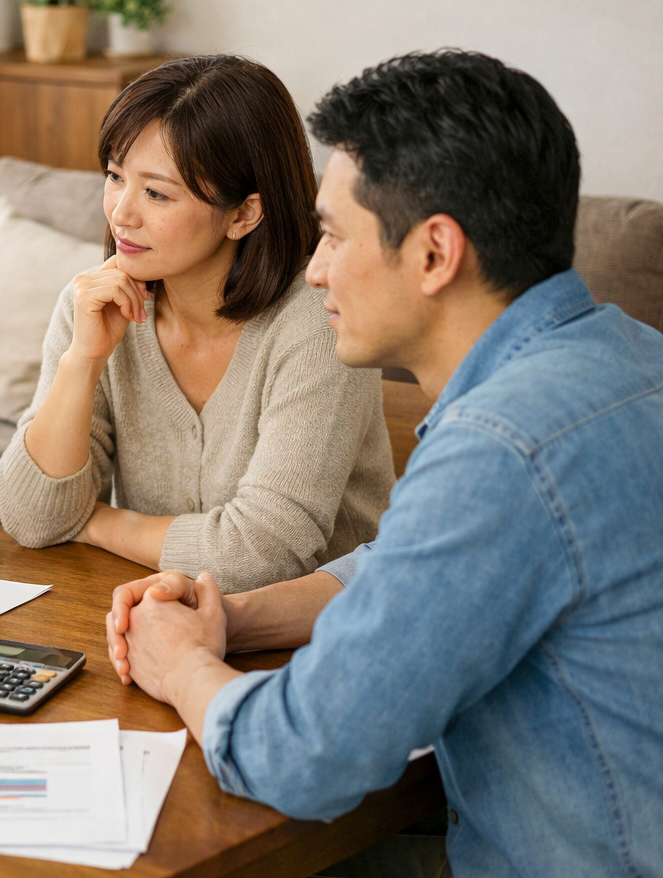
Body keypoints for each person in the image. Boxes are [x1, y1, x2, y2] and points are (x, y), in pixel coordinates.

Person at [107, 50, 663, 875]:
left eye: (332, 235)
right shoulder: (629, 356)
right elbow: (415, 565)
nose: (315, 268)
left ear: (435, 253)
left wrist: (182, 662)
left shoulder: (501, 447)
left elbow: (302, 756)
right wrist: (241, 614)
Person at [0, 55, 394, 592]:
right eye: (115, 176)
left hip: (313, 636)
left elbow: (263, 556)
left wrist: (94, 522)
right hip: (153, 612)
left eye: (157, 192)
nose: (122, 213)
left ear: (243, 214)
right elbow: (30, 518)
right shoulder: (94, 303)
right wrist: (82, 362)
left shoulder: (321, 320)